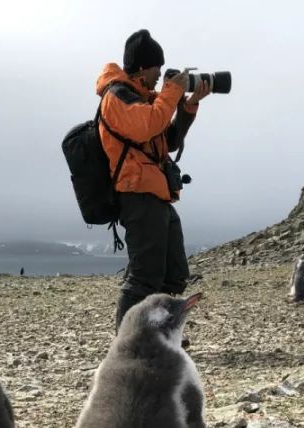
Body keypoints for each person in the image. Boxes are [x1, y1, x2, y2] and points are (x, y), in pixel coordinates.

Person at [96, 29, 211, 329]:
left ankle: (157, 333)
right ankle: (127, 345)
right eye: (157, 69)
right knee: (144, 277)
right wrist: (173, 91)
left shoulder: (145, 99)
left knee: (174, 273)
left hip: (157, 194)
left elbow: (168, 140)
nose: (161, 76)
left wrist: (188, 106)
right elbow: (148, 125)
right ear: (142, 67)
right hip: (136, 195)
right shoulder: (116, 96)